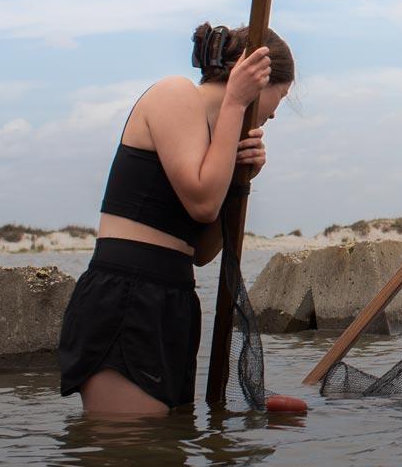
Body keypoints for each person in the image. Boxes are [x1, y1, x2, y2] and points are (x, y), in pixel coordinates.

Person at [57, 23, 292, 414]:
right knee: (130, 457)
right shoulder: (175, 94)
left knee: (169, 455)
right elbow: (201, 202)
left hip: (173, 299)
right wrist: (235, 103)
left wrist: (239, 180)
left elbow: (202, 250)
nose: (275, 113)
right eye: (280, 96)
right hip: (126, 296)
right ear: (257, 80)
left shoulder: (216, 140)